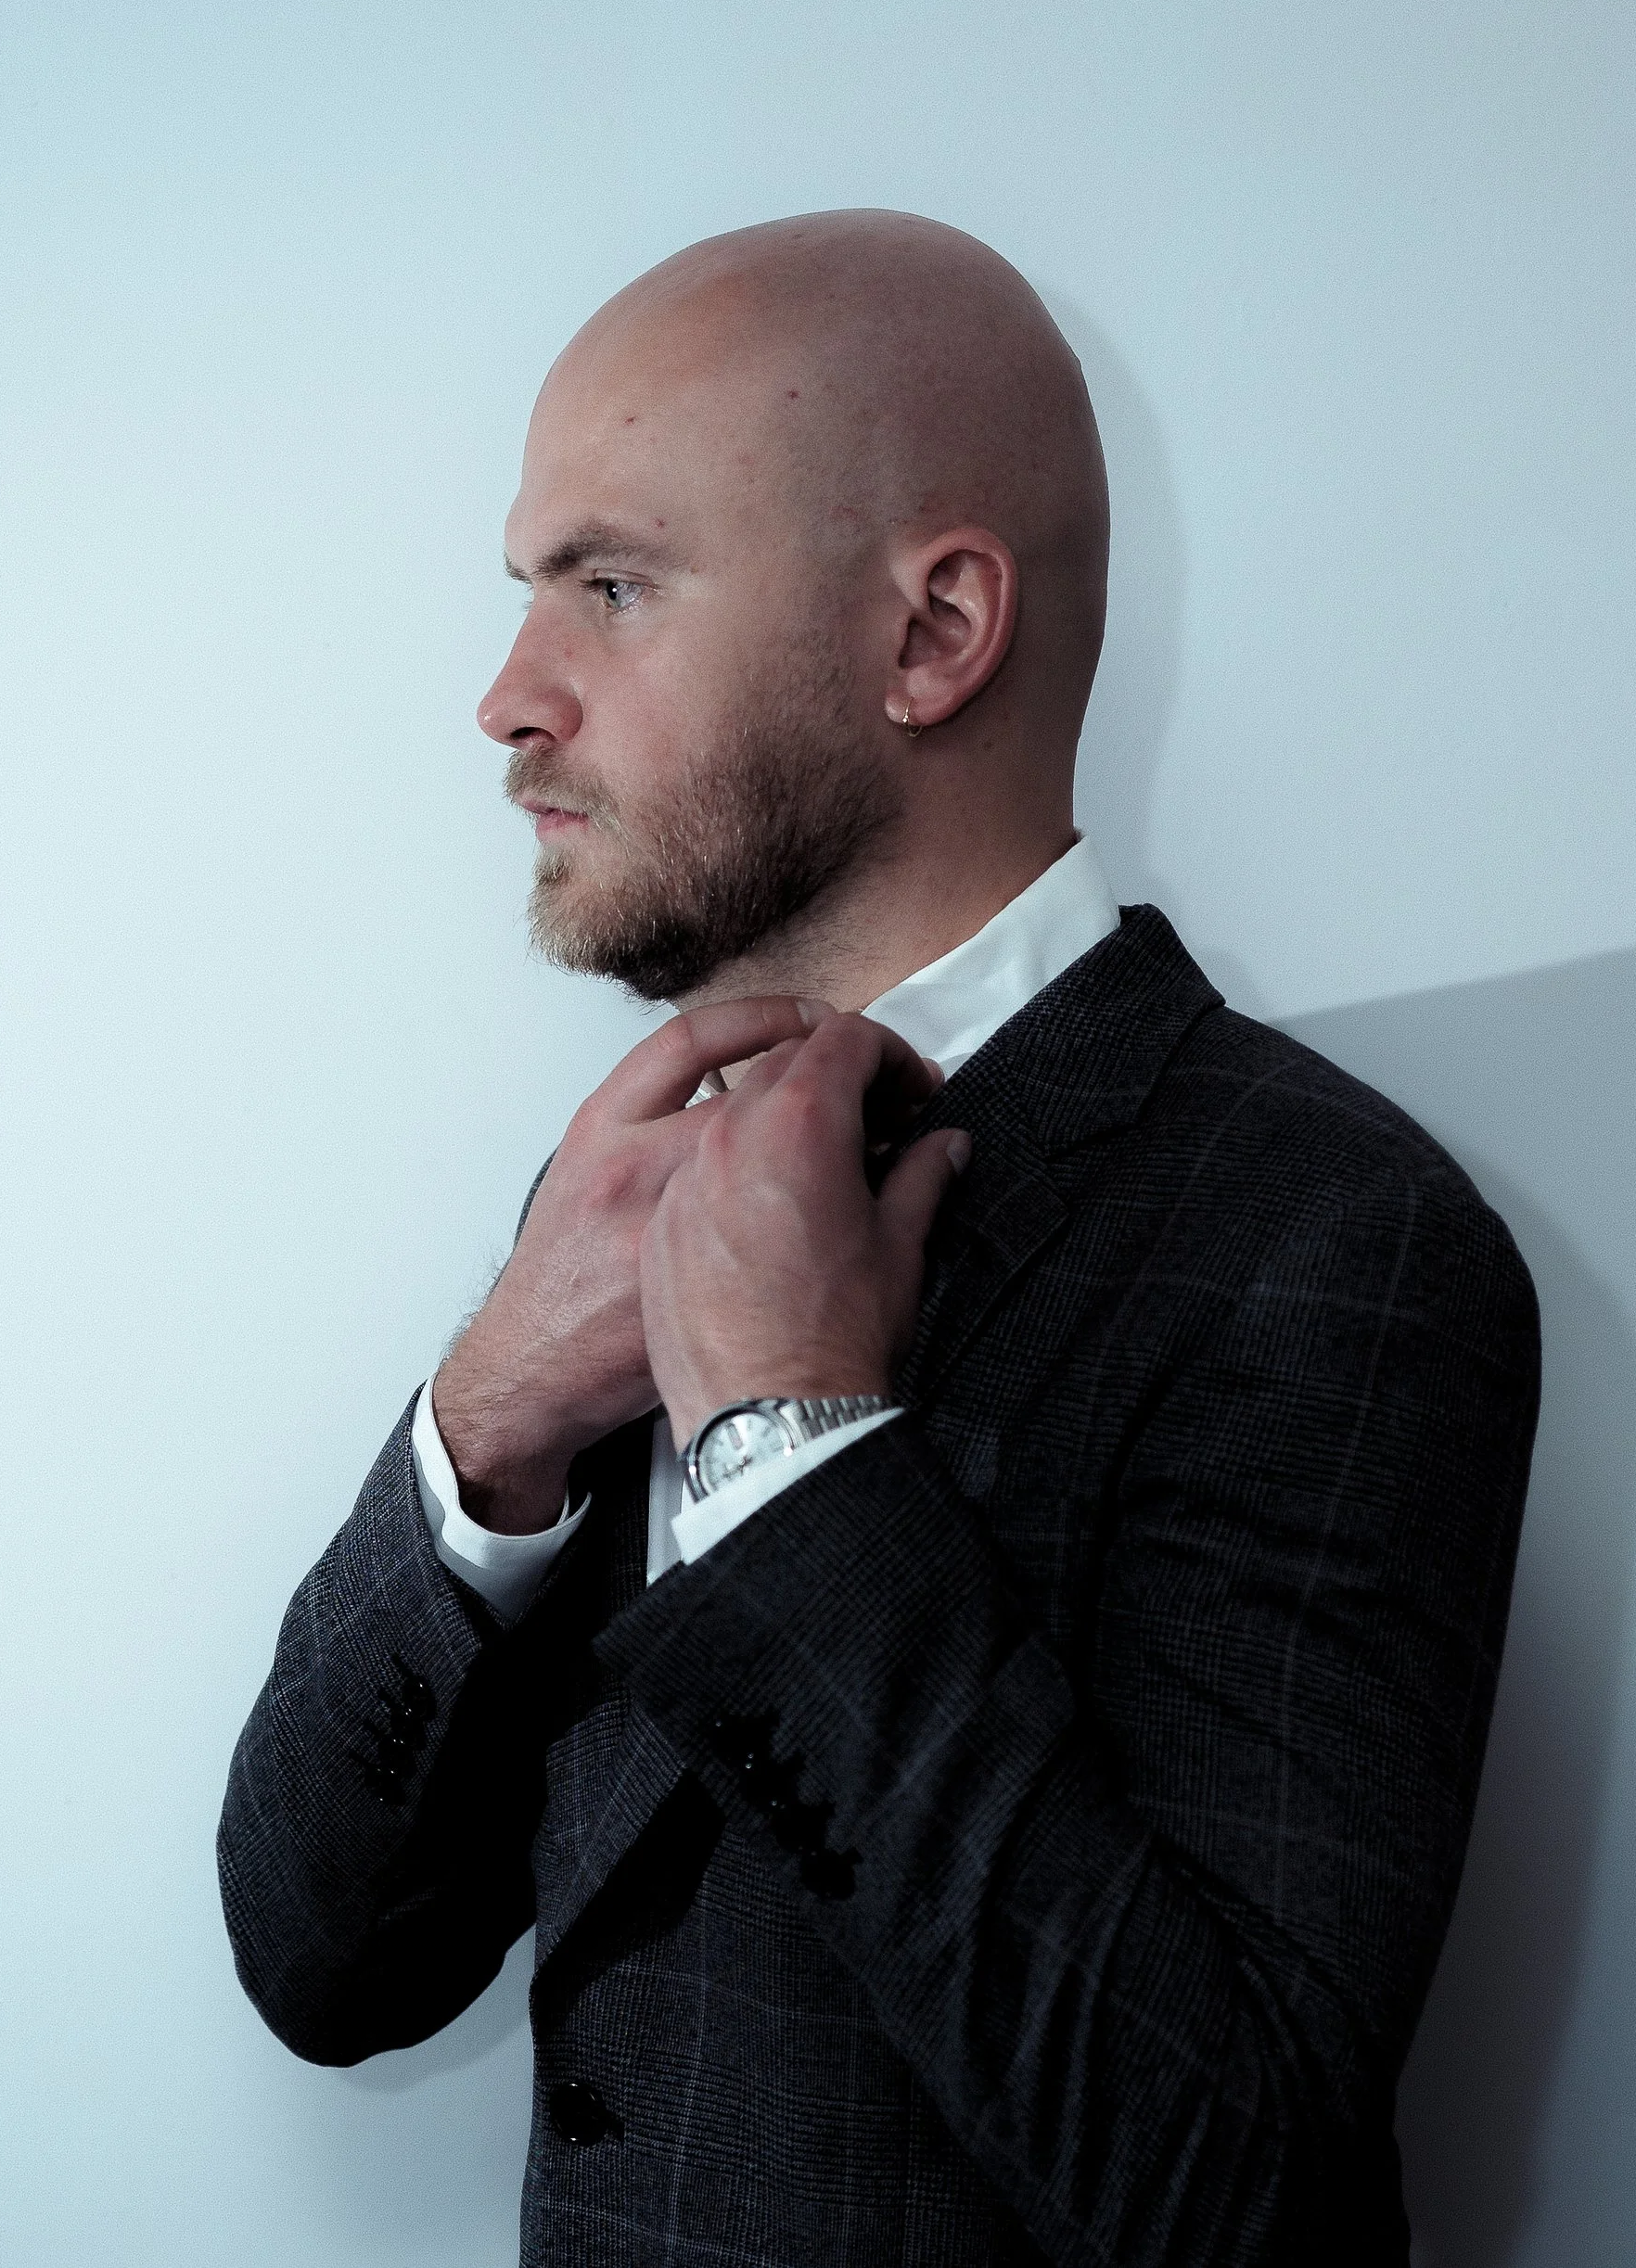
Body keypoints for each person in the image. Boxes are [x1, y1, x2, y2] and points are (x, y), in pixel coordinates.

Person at [219, 210, 1540, 2268]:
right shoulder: (609, 1202)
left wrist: (788, 1443)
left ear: (933, 634)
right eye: (527, 593)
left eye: (611, 586)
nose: (506, 697)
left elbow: (1242, 2197)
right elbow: (324, 1966)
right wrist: (488, 1422)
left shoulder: (1333, 1243)